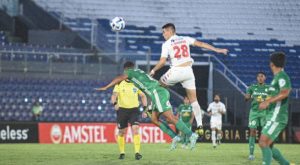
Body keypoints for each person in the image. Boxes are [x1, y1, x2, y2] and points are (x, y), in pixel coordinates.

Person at [96, 61, 199, 150]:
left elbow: (119, 78)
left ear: (126, 69)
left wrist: (106, 87)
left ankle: (191, 135)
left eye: (125, 72)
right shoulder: (138, 73)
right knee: (154, 119)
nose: (125, 74)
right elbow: (146, 91)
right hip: (157, 93)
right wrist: (147, 107)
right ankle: (175, 137)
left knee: (170, 117)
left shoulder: (130, 72)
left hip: (157, 92)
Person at [149, 23, 228, 134]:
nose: (163, 34)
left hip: (176, 70)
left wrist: (153, 70)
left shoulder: (166, 44)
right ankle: (200, 125)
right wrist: (216, 49)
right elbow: (200, 44)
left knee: (158, 85)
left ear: (171, 31)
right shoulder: (185, 39)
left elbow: (163, 61)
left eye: (164, 31)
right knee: (194, 100)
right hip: (188, 72)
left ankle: (152, 106)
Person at [258, 52, 293, 165]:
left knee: (263, 142)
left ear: (271, 63)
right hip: (272, 115)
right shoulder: (276, 78)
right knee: (268, 145)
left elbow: (285, 92)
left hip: (277, 117)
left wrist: (267, 102)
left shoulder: (282, 76)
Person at [110, 79, 147, 160]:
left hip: (134, 110)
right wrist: (115, 103)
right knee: (122, 132)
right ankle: (122, 153)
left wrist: (145, 109)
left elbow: (143, 96)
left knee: (135, 129)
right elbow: (114, 95)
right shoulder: (119, 83)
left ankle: (137, 153)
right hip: (122, 111)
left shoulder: (137, 83)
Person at [245, 72, 270, 160]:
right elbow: (246, 98)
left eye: (262, 76)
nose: (260, 78)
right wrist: (248, 96)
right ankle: (251, 154)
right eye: (258, 76)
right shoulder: (252, 87)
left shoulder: (269, 88)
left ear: (265, 78)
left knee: (265, 133)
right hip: (254, 112)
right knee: (252, 131)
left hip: (264, 112)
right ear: (257, 78)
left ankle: (267, 153)